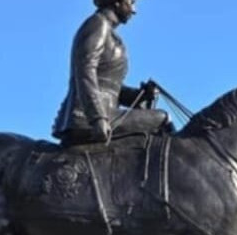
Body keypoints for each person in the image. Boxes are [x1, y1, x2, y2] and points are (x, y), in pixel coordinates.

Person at [53, 0, 170, 147]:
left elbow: (108, 87)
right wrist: (98, 117)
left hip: (106, 112)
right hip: (88, 115)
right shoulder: (98, 24)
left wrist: (138, 95)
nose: (134, 10)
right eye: (131, 2)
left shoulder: (109, 33)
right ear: (117, 2)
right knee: (162, 118)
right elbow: (85, 71)